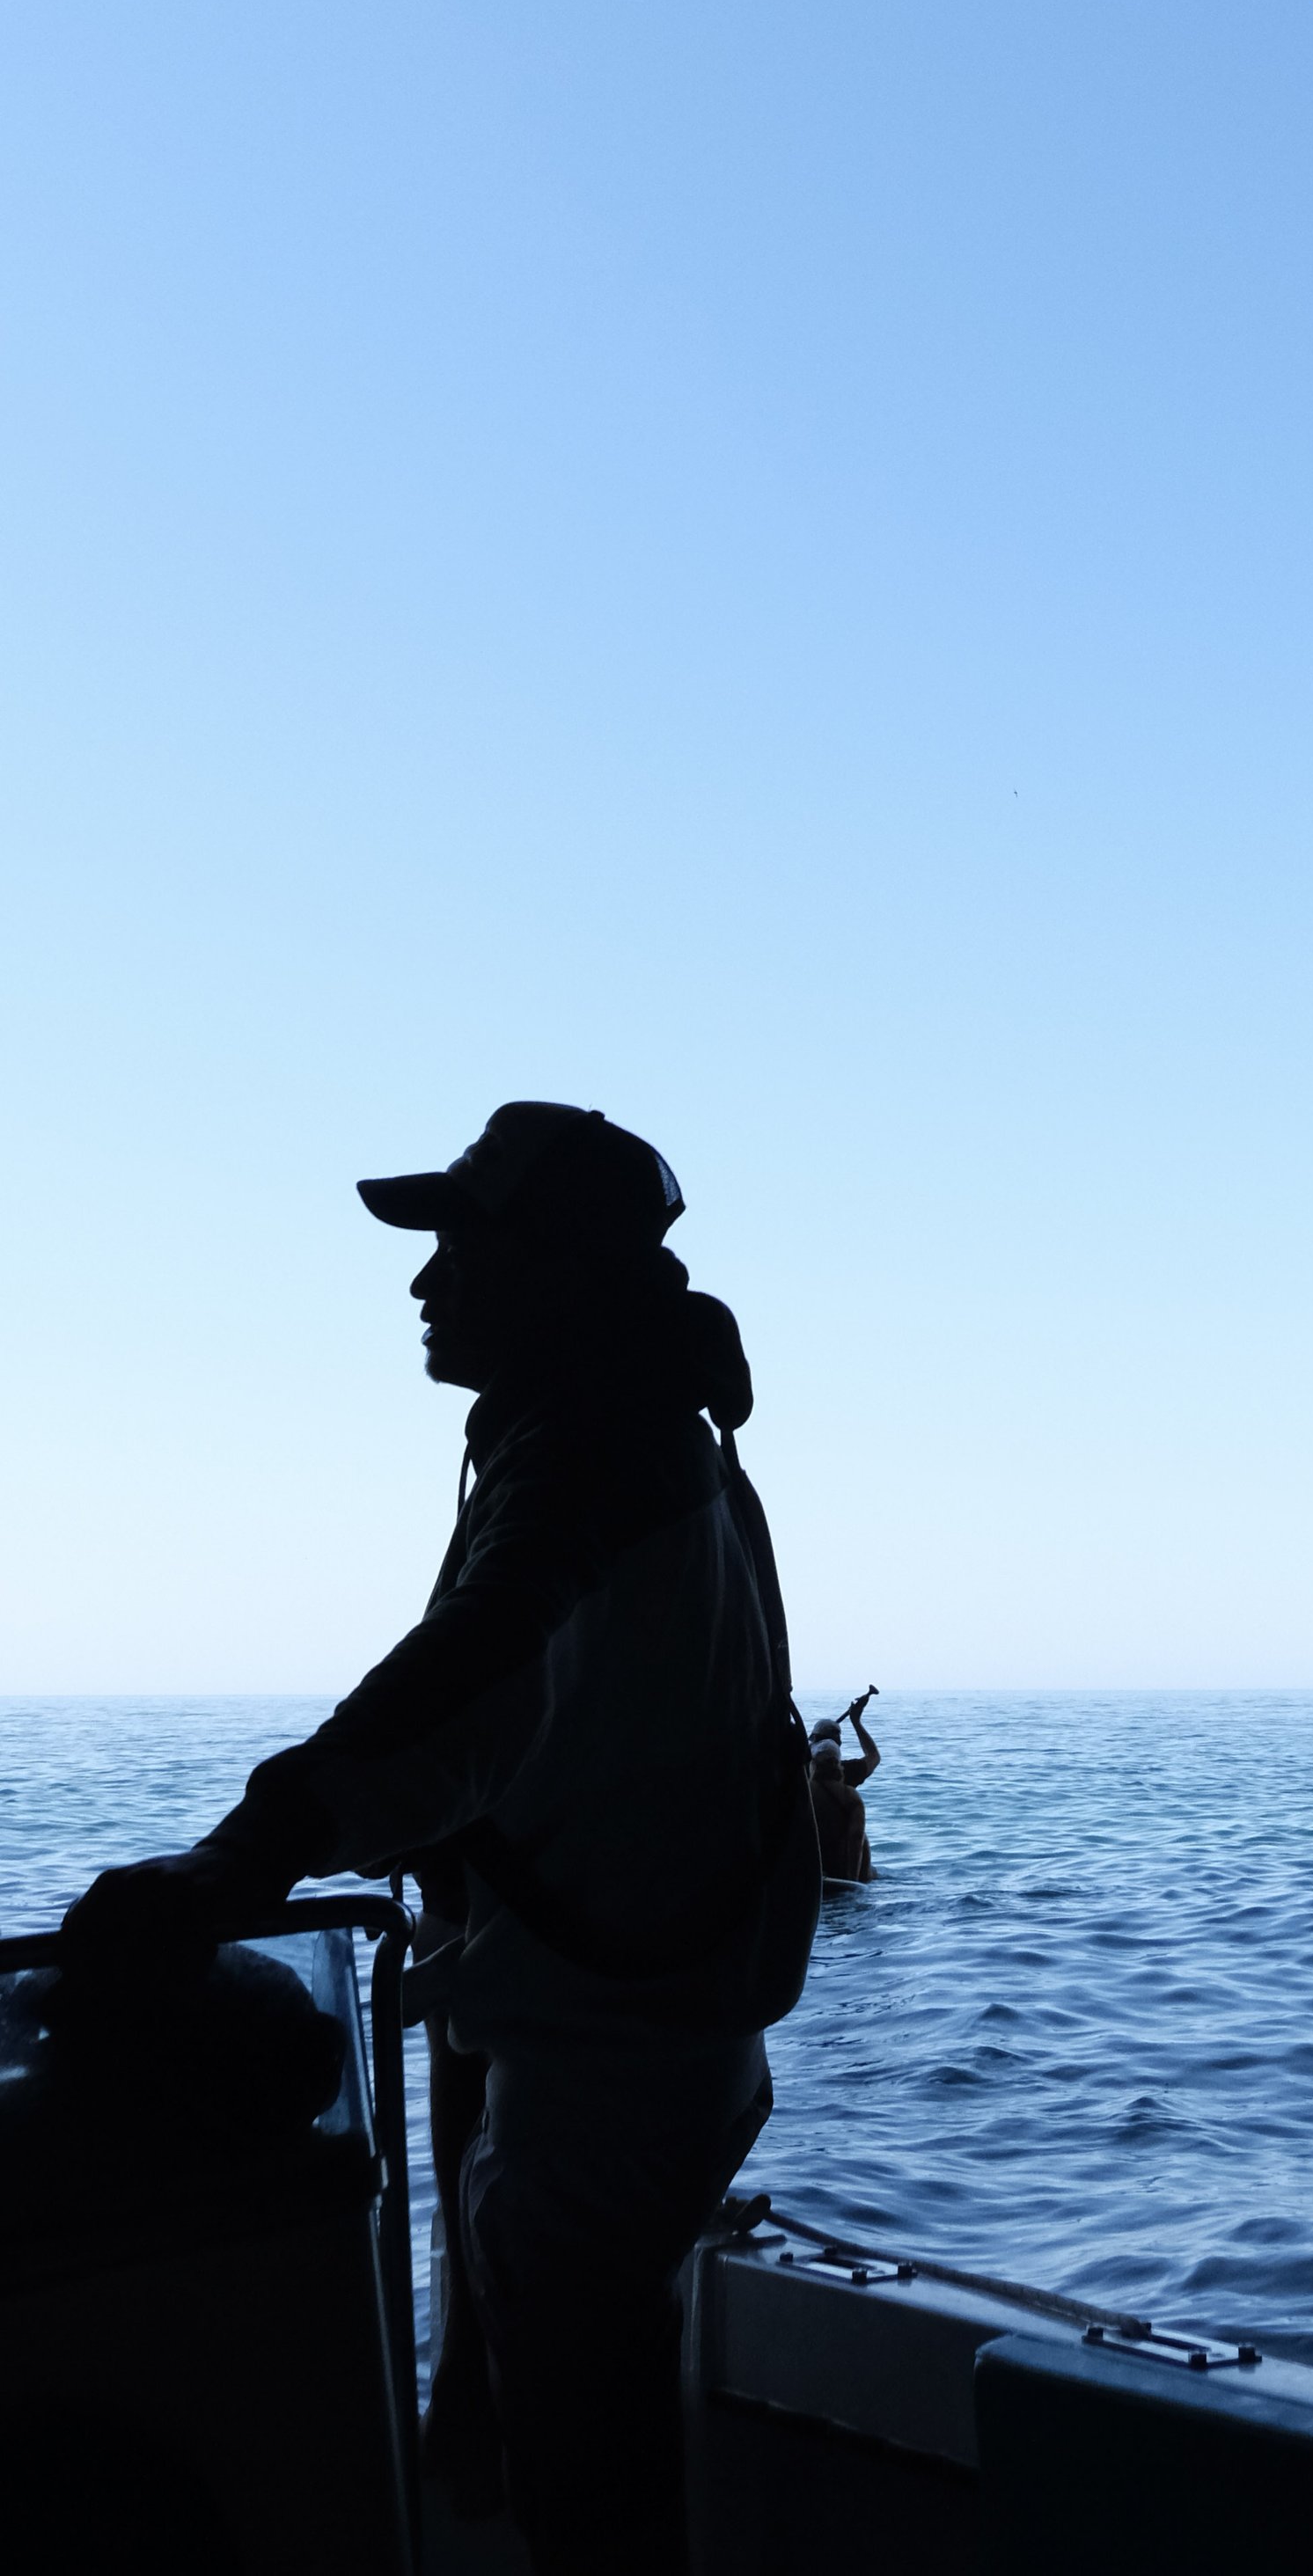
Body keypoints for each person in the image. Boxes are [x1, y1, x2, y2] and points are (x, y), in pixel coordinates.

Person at [60, 1100, 820, 2576]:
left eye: (458, 1244)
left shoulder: (588, 1450)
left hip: (607, 2072)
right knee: (572, 2432)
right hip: (660, 2042)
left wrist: (242, 1853)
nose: (424, 1281)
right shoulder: (654, 1425)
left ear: (558, 1266)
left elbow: (476, 1661)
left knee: (591, 2488)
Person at [807, 1689, 880, 1884]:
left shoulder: (795, 1773)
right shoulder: (846, 1773)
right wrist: (857, 1722)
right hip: (845, 1865)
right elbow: (874, 1757)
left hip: (814, 1861)